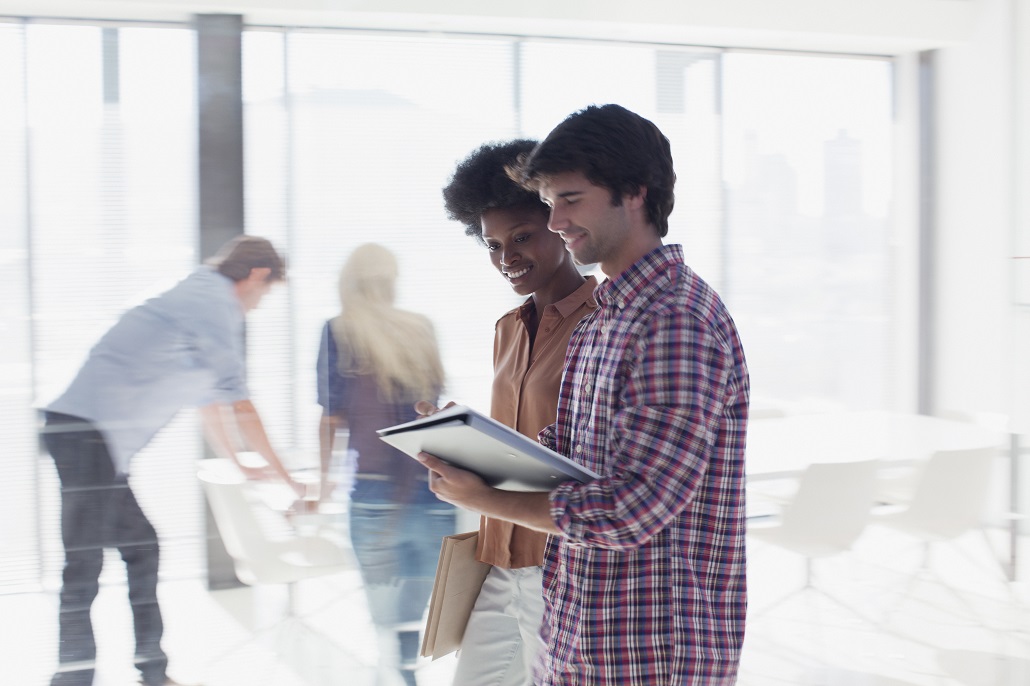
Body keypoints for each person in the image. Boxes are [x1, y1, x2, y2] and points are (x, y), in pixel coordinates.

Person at [416, 104, 750, 685]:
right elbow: (569, 472)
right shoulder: (609, 320)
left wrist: (486, 497)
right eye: (550, 203)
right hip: (584, 628)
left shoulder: (674, 320)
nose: (557, 220)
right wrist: (468, 447)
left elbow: (630, 508)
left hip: (649, 647)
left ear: (634, 193)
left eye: (568, 200)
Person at [41, 235, 304, 686]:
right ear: (258, 275)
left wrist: (241, 465)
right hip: (84, 436)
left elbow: (212, 402)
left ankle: (153, 673)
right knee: (84, 564)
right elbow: (241, 405)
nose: (259, 305)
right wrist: (289, 480)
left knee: (142, 548)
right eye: (265, 292)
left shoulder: (197, 297)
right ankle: (73, 679)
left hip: (94, 443)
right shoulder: (213, 304)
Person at [434, 139, 597, 685]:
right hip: (500, 558)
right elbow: (519, 443)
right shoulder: (508, 329)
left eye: (522, 237)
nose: (507, 258)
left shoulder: (603, 324)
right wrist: (461, 438)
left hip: (562, 566)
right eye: (494, 244)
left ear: (562, 226)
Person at [316, 243, 456, 686]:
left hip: (373, 494)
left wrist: (322, 485)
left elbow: (332, 418)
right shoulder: (421, 329)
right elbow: (432, 412)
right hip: (434, 489)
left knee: (387, 624)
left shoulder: (339, 331)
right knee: (420, 623)